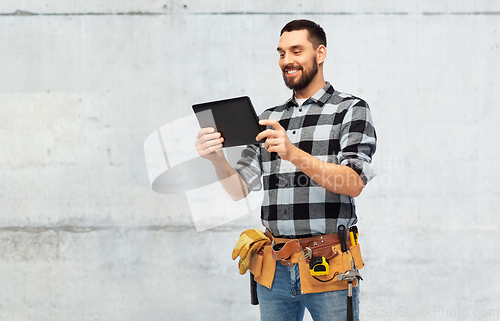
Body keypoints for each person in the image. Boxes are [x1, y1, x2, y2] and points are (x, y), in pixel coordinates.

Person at [195, 19, 376, 321]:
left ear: (320, 53)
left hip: (329, 265)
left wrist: (292, 152)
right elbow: (238, 190)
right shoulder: (269, 118)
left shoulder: (350, 109)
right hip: (275, 267)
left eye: (296, 51)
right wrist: (216, 159)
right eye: (281, 53)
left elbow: (353, 182)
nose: (287, 61)